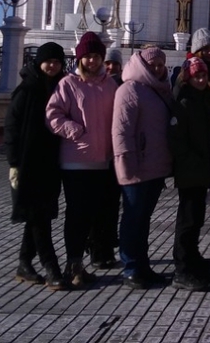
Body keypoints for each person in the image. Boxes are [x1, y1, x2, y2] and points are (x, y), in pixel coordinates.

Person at [45, 31, 119, 288]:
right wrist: (75, 131)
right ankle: (73, 264)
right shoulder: (69, 84)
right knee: (77, 214)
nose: (92, 61)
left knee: (94, 214)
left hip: (103, 161)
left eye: (96, 56)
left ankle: (84, 261)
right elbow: (53, 114)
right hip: (76, 161)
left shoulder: (110, 85)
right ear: (80, 59)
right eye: (87, 57)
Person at [4, 42, 68, 291]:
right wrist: (14, 162)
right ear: (39, 62)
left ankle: (24, 264)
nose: (52, 66)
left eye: (57, 61)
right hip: (29, 162)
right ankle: (51, 267)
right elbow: (11, 126)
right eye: (48, 61)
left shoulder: (61, 88)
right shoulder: (27, 89)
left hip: (51, 162)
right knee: (39, 216)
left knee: (39, 214)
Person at [111, 46, 174, 289]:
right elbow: (121, 130)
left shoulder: (161, 89)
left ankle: (142, 265)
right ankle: (130, 268)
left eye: (160, 65)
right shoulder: (129, 89)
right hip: (136, 166)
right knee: (132, 218)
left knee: (143, 219)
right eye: (152, 65)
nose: (157, 69)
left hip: (155, 166)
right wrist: (125, 162)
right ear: (143, 65)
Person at [169, 57, 210, 290]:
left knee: (197, 216)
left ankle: (192, 256)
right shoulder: (183, 101)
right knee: (187, 219)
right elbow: (177, 139)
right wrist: (191, 160)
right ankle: (182, 267)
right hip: (190, 169)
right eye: (196, 76)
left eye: (204, 75)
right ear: (188, 77)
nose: (200, 79)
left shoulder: (205, 98)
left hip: (202, 167)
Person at [88, 48, 124, 270]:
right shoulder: (95, 86)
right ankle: (95, 248)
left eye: (115, 64)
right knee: (97, 204)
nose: (111, 67)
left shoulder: (122, 86)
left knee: (112, 204)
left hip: (115, 155)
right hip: (96, 154)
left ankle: (108, 247)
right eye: (108, 63)